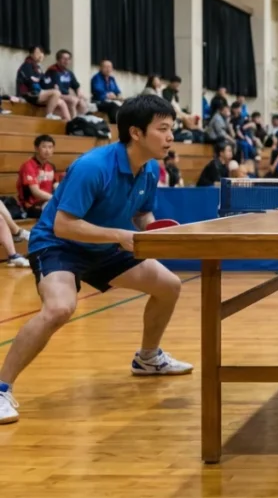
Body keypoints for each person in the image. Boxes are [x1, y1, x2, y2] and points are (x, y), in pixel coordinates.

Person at [0, 94, 192, 425]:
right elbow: (64, 224)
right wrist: (120, 236)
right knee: (59, 308)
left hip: (104, 246)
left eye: (171, 128)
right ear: (136, 132)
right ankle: (2, 388)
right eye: (163, 129)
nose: (171, 136)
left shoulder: (148, 171)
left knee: (169, 286)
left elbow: (143, 216)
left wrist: (154, 236)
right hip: (59, 245)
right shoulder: (93, 167)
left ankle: (147, 359)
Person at [15, 46, 71, 121]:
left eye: (42, 53)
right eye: (38, 53)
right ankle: (48, 115)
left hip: (38, 93)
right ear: (31, 54)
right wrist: (43, 85)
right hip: (28, 94)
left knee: (61, 102)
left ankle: (68, 123)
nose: (41, 55)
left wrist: (52, 85)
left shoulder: (38, 67)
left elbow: (42, 82)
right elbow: (31, 82)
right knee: (56, 93)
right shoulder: (27, 66)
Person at [17, 135, 58, 218]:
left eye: (50, 147)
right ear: (36, 148)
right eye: (44, 147)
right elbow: (36, 192)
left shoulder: (51, 166)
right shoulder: (28, 166)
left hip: (48, 202)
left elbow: (56, 185)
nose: (47, 150)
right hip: (30, 206)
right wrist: (56, 199)